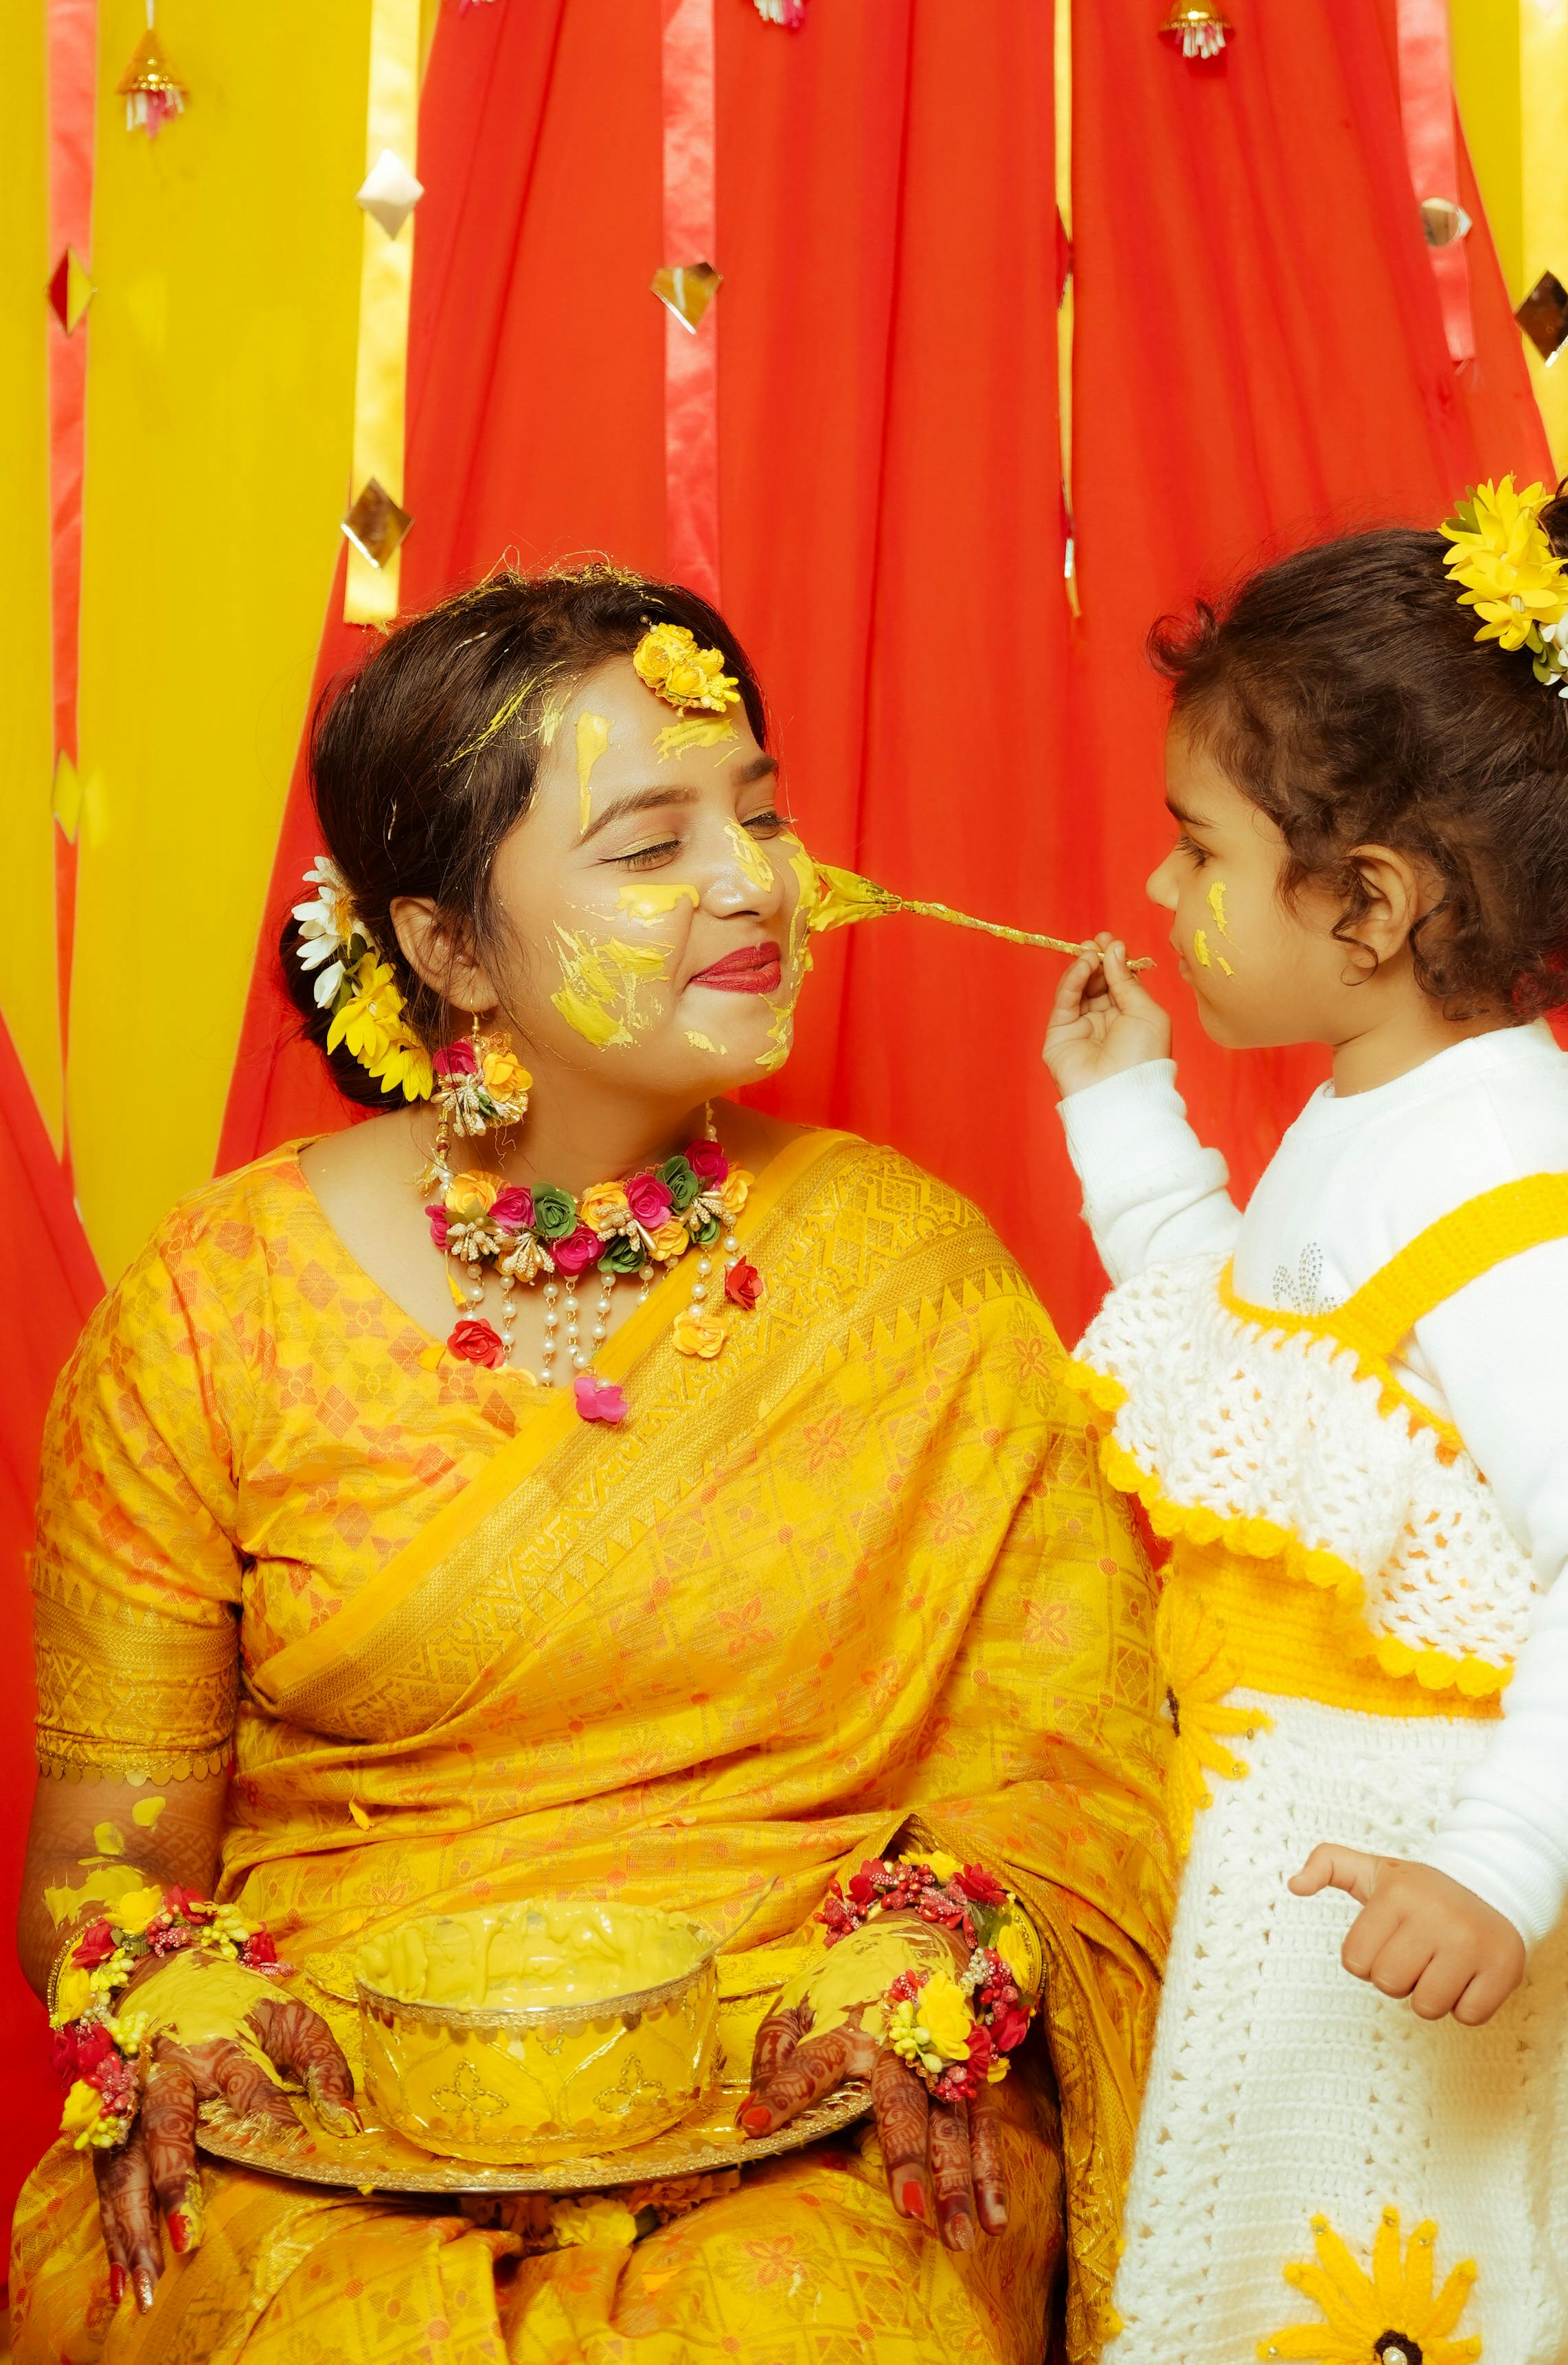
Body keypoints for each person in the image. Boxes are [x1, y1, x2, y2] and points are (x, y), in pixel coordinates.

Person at [12, 564, 1174, 2364]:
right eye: (651, 842)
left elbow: (1066, 1760)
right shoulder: (214, 1310)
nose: (751, 884)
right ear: (450, 946)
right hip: (331, 2106)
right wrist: (176, 2011)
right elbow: (105, 1866)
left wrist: (931, 1966)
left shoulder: (909, 1275)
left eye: (763, 815)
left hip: (808, 2094)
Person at [1040, 473, 1568, 2363]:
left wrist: (1500, 1861)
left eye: (1197, 852)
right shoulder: (1387, 1105)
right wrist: (1120, 1108)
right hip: (1333, 1856)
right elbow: (1264, 1352)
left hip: (1447, 1876)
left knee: (1472, 2270)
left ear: (1367, 904)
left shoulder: (1517, 1184)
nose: (1164, 893)